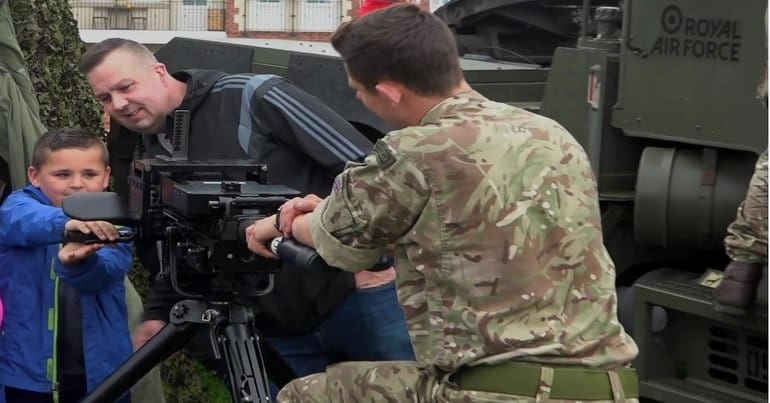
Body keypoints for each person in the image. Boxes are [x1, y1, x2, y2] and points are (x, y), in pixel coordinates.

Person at [245, 4, 640, 401]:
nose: (362, 101)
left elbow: (335, 242)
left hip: (496, 391)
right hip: (607, 386)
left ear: (388, 92)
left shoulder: (414, 151)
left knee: (303, 394)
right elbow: (459, 226)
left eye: (358, 92)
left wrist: (280, 222)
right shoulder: (551, 136)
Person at [78, 38, 414, 388]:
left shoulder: (253, 97)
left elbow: (371, 172)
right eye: (105, 97)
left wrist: (373, 262)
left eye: (126, 87)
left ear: (159, 72)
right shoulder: (147, 152)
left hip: (355, 300)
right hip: (267, 328)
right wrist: (160, 313)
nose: (119, 103)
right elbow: (177, 238)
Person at [0, 128, 133, 403]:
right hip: (24, 377)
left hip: (101, 375)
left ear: (106, 176)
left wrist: (75, 263)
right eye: (62, 175)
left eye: (90, 174)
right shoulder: (18, 204)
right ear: (34, 176)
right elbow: (20, 220)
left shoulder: (116, 225)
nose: (77, 184)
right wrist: (69, 224)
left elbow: (105, 273)